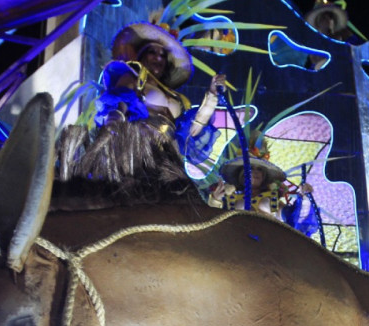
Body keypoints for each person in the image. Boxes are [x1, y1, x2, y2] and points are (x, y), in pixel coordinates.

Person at [97, 21, 226, 164]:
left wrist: (212, 96)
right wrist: (111, 128)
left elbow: (192, 132)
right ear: (141, 56)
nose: (158, 58)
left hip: (165, 163)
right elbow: (118, 105)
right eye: (152, 52)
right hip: (136, 155)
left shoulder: (176, 97)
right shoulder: (132, 76)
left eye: (163, 55)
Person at [208, 155, 313, 227]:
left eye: (259, 169)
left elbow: (292, 217)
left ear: (264, 176)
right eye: (249, 168)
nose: (254, 172)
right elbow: (212, 219)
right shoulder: (230, 198)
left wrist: (303, 197)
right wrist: (215, 199)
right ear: (241, 175)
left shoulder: (272, 198)